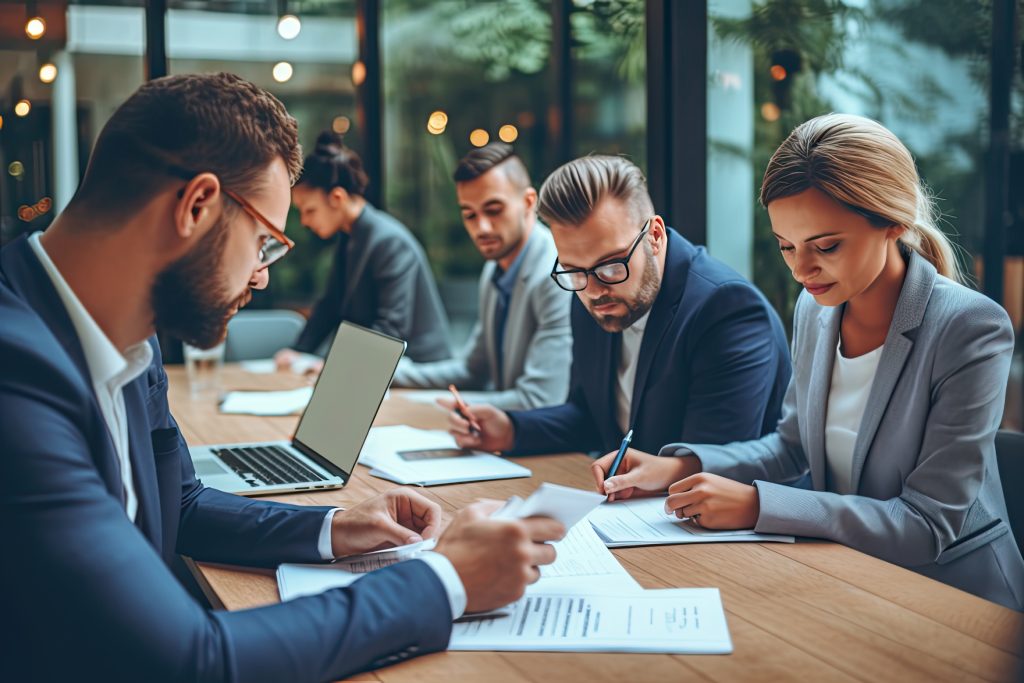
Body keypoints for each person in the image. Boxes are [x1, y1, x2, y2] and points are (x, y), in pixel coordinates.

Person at [0, 73, 565, 682]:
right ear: (196, 206)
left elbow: (181, 505)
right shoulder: (18, 378)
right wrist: (446, 579)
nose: (263, 274)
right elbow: (192, 661)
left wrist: (334, 527)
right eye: (264, 243)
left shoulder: (127, 338)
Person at [592, 114, 1024, 611]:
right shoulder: (816, 309)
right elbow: (791, 447)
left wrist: (758, 505)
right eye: (786, 247)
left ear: (894, 222)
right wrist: (680, 466)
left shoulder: (971, 328)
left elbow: (927, 525)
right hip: (851, 579)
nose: (801, 269)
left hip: (957, 601)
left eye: (826, 246)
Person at [446, 155, 791, 462]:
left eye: (611, 266)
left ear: (654, 235)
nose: (594, 290)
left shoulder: (727, 311)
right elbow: (591, 418)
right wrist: (510, 429)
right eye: (574, 270)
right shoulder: (587, 291)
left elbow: (710, 463)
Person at [391, 142, 572, 410]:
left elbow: (539, 399)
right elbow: (472, 369)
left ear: (529, 202)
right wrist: (393, 375)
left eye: (494, 210)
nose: (481, 227)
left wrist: (435, 405)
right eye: (469, 215)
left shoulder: (556, 277)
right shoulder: (494, 271)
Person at [274, 131, 452, 370]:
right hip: (382, 369)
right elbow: (330, 305)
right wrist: (299, 351)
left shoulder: (389, 242)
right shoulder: (350, 238)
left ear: (337, 198)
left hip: (418, 373)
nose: (304, 221)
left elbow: (390, 329)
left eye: (310, 210)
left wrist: (330, 364)